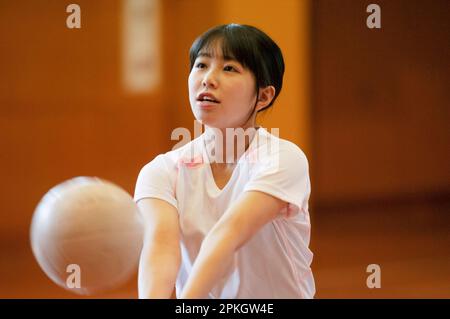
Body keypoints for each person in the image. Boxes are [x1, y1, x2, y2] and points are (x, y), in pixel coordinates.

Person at [134, 23, 315, 299]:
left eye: (229, 68)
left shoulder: (283, 160)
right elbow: (160, 247)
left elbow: (227, 236)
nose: (208, 78)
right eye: (201, 64)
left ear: (264, 96)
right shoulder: (161, 171)